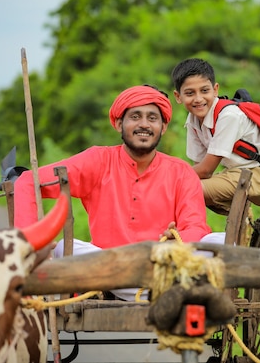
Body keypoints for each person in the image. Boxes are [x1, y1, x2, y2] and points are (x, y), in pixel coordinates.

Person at [14, 84, 224, 300]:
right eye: (135, 116)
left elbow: (196, 225)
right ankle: (164, 293)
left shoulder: (181, 171)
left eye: (152, 118)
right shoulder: (97, 161)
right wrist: (28, 249)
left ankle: (154, 289)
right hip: (111, 265)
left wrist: (178, 240)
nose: (144, 124)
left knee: (223, 242)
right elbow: (29, 182)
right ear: (118, 123)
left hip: (166, 263)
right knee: (66, 250)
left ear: (163, 127)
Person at [171, 58, 260, 215]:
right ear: (178, 96)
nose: (198, 99)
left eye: (204, 91)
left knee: (187, 188)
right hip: (238, 175)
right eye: (190, 93)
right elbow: (199, 169)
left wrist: (166, 178)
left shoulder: (228, 116)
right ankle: (241, 222)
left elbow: (205, 170)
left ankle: (241, 219)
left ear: (215, 89)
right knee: (188, 186)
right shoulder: (193, 121)